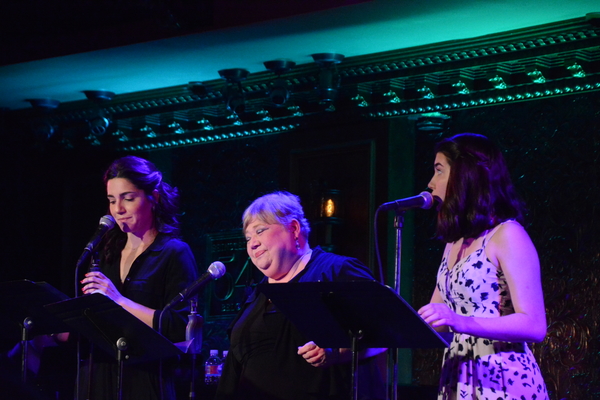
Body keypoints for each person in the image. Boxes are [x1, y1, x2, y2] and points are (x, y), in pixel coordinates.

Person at [215, 191, 386, 400]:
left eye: (260, 231)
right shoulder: (256, 294)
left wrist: (337, 352)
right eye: (248, 238)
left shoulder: (336, 271)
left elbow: (387, 333)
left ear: (294, 228)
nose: (252, 243)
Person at [417, 133, 549, 400]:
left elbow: (534, 325)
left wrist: (461, 321)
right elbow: (433, 320)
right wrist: (352, 343)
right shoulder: (453, 242)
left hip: (501, 379)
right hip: (459, 377)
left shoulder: (507, 235)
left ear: (465, 175)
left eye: (439, 171)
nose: (430, 183)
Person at [78, 155, 198, 400]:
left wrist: (119, 301)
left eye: (128, 199)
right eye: (112, 200)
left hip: (146, 378)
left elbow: (179, 326)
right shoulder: (105, 253)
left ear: (153, 198)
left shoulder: (174, 252)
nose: (118, 210)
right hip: (99, 374)